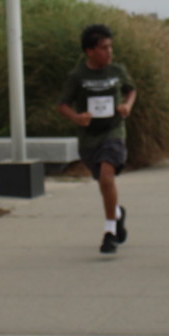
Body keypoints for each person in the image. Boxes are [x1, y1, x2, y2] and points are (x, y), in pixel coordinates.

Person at [57, 24, 137, 255]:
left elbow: (131, 90)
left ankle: (109, 232)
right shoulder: (78, 76)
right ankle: (117, 213)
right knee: (104, 182)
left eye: (110, 47)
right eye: (103, 48)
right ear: (89, 51)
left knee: (106, 176)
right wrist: (76, 117)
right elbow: (62, 104)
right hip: (89, 137)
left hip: (113, 131)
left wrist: (127, 106)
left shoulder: (117, 71)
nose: (109, 52)